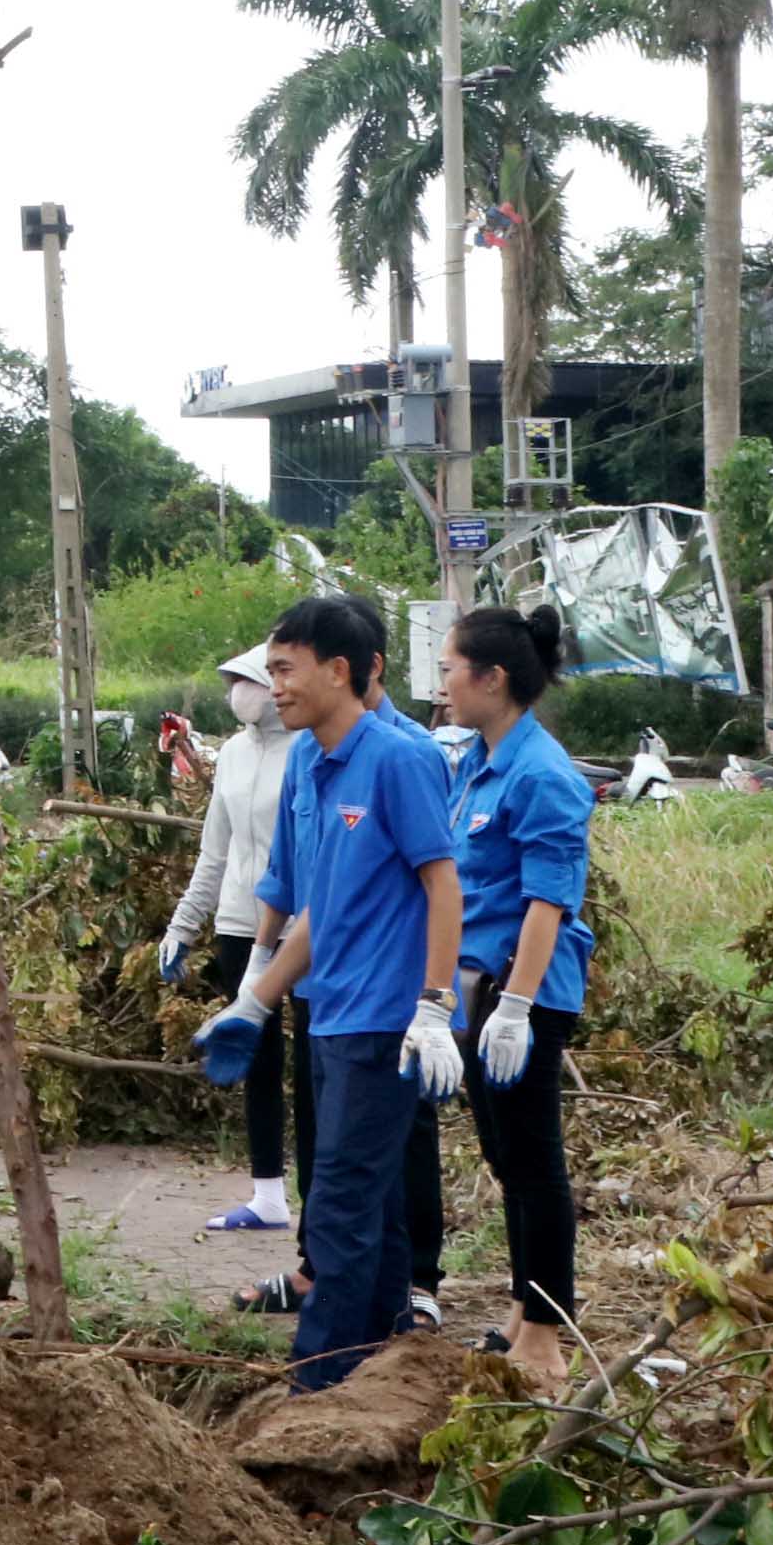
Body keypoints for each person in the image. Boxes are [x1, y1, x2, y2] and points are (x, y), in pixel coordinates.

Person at [196, 593, 463, 1394]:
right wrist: (257, 997)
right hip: (328, 1012)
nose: (272, 686)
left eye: (285, 669)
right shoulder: (310, 760)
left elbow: (444, 887)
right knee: (365, 1203)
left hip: (385, 1022)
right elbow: (320, 905)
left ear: (339, 671)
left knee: (341, 1203)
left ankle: (318, 1378)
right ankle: (387, 1357)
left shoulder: (401, 759)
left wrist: (435, 1005)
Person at [442, 605, 597, 1387]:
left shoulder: (543, 775)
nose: (441, 685)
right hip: (480, 988)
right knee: (505, 1157)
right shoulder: (477, 760)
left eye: (449, 670)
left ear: (491, 678)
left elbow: (547, 901)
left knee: (535, 1159)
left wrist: (516, 1006)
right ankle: (521, 1307)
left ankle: (547, 1329)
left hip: (525, 991)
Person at [148, 654, 301, 1237]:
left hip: (300, 928)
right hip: (242, 923)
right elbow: (215, 851)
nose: (236, 692)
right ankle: (267, 1195)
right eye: (231, 683)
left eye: (246, 682)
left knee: (313, 1062)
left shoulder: (309, 751)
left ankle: (323, 1195)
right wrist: (183, 926)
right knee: (256, 1056)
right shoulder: (234, 754)